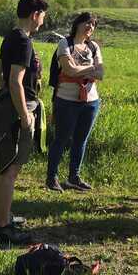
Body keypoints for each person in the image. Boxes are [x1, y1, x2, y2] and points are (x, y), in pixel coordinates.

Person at [0, 0, 49, 246]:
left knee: (3, 166)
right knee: (11, 169)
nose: (43, 20)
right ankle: (3, 227)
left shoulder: (12, 35)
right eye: (43, 16)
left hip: (9, 106)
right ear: (35, 14)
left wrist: (6, 94)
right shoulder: (24, 41)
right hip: (19, 111)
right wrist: (24, 115)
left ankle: (0, 214)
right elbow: (15, 80)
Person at [46, 11, 104, 192]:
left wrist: (79, 69)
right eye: (87, 22)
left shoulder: (93, 46)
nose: (90, 26)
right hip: (66, 100)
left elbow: (101, 73)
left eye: (93, 24)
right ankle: (51, 178)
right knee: (61, 139)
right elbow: (68, 70)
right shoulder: (65, 43)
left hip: (91, 101)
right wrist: (90, 68)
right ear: (77, 24)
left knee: (81, 140)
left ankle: (74, 177)